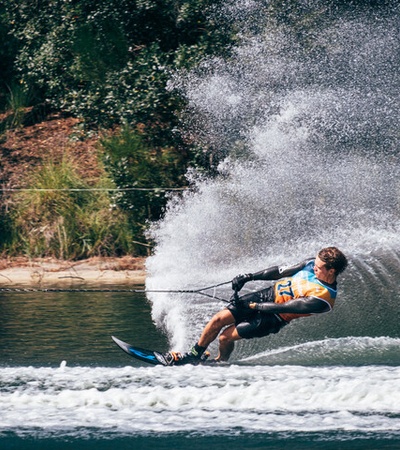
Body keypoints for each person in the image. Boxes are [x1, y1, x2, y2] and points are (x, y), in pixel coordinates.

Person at [164, 246, 348, 365]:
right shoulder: (309, 264)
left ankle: (220, 363)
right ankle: (194, 355)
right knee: (218, 319)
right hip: (266, 295)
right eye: (314, 264)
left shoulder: (323, 299)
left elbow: (285, 307)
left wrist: (255, 307)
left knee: (225, 338)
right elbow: (280, 272)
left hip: (273, 317)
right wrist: (249, 276)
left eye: (318, 267)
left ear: (331, 271)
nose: (314, 267)